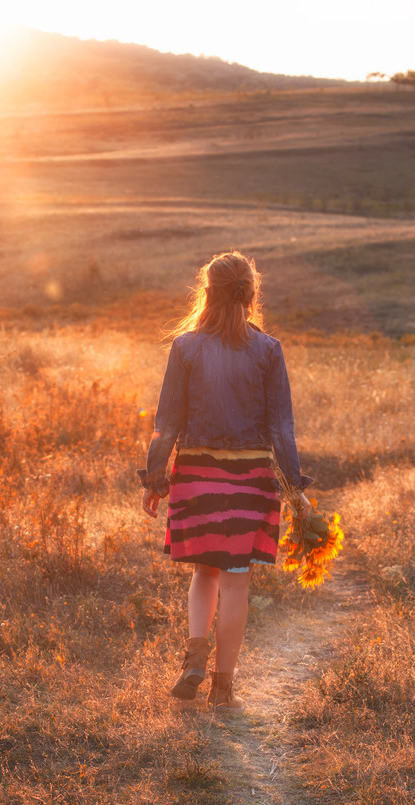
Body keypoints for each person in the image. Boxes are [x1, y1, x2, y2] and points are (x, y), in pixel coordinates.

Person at [139, 251, 311, 710]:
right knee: (236, 581)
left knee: (203, 573)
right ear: (251, 295)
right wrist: (295, 490)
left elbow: (167, 422)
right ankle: (223, 687)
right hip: (251, 478)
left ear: (207, 293)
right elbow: (281, 430)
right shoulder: (268, 350)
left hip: (196, 472)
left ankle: (195, 658)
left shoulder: (186, 347)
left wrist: (155, 479)